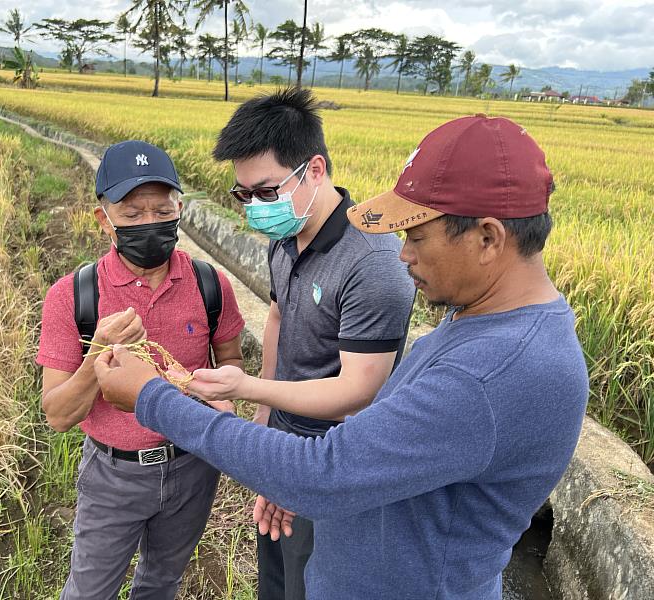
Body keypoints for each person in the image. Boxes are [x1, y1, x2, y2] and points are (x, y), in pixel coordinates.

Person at [92, 114, 590, 599]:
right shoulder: (474, 319)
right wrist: (291, 472)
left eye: (416, 237)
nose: (403, 254)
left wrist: (151, 397)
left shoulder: (491, 372)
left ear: (487, 238)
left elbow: (323, 469)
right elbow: (363, 453)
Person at [196, 88, 415, 599]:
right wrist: (268, 422)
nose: (255, 207)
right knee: (275, 576)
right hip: (288, 439)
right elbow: (275, 317)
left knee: (314, 584)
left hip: (337, 455)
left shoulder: (373, 262)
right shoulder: (285, 237)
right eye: (242, 194)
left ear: (315, 169)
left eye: (266, 191)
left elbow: (357, 391)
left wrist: (249, 388)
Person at [36, 139, 245, 600]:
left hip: (192, 467)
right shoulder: (73, 296)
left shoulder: (211, 284)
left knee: (161, 583)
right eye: (131, 214)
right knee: (90, 591)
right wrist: (99, 354)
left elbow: (230, 360)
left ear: (179, 209)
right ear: (104, 220)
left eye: (162, 209)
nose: (150, 223)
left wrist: (213, 396)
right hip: (114, 475)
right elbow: (57, 414)